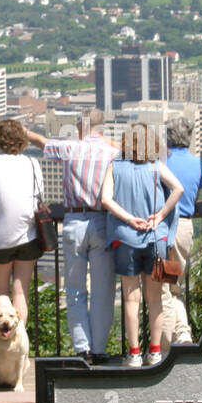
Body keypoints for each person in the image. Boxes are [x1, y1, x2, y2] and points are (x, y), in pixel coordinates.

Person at [25, 112, 119, 359]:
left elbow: (42, 142)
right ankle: (98, 349)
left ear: (81, 126)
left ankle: (82, 347)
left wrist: (23, 132)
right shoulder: (112, 153)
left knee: (75, 289)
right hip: (102, 219)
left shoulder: (70, 149)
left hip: (73, 219)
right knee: (103, 289)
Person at [100, 123, 182, 367]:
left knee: (130, 298)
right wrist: (160, 214)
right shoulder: (156, 167)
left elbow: (105, 199)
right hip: (156, 238)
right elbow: (178, 188)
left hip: (125, 237)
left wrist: (127, 218)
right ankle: (154, 351)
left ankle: (134, 353)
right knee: (154, 299)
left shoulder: (115, 166)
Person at [0, 119, 44, 331]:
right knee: (21, 292)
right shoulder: (32, 163)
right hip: (28, 234)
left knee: (0, 290)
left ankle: (5, 328)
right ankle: (19, 338)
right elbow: (39, 195)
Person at [159, 117, 202, 343]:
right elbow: (196, 191)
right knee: (174, 283)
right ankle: (182, 332)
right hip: (186, 225)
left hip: (165, 226)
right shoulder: (197, 163)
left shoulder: (162, 162)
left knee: (163, 287)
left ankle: (165, 343)